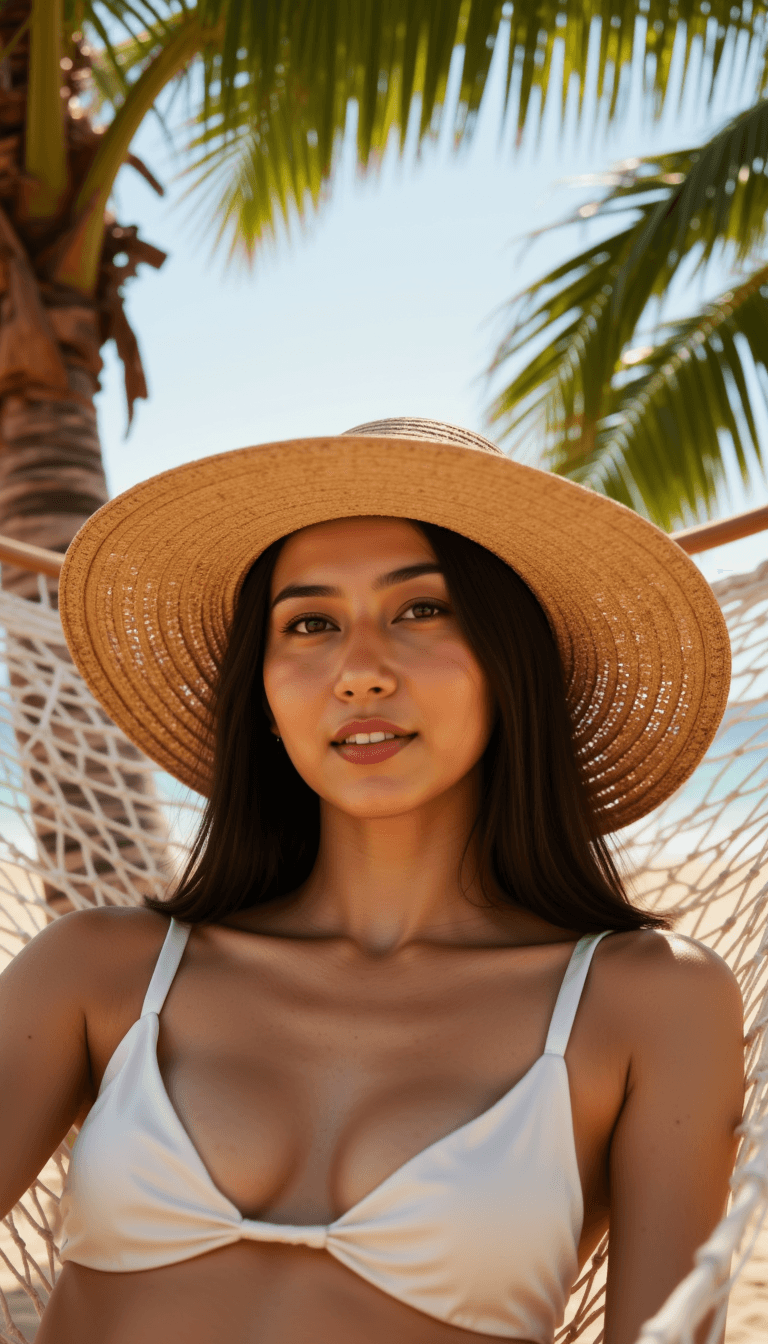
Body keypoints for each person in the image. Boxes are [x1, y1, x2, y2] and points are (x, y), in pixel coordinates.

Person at [0, 419, 744, 1344]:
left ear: (511, 666)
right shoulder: (101, 972)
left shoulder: (648, 1002)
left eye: (421, 610)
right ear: (264, 697)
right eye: (309, 623)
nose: (358, 672)